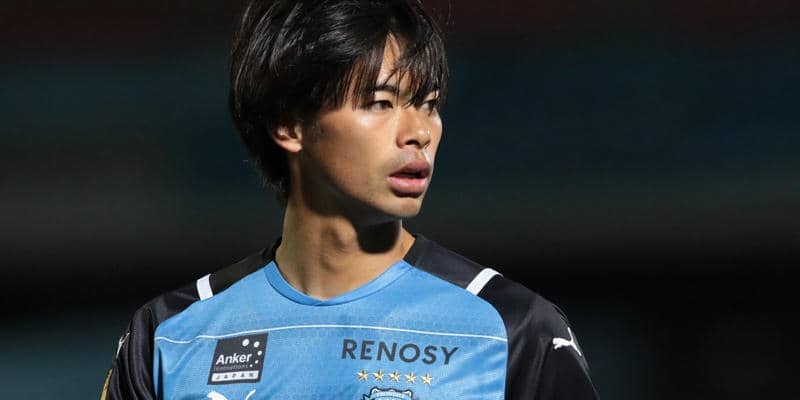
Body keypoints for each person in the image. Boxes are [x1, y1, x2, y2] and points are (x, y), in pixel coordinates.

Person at [101, 0, 599, 399]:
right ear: (289, 124)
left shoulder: (515, 330)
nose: (419, 132)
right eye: (381, 103)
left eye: (429, 105)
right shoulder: (169, 335)